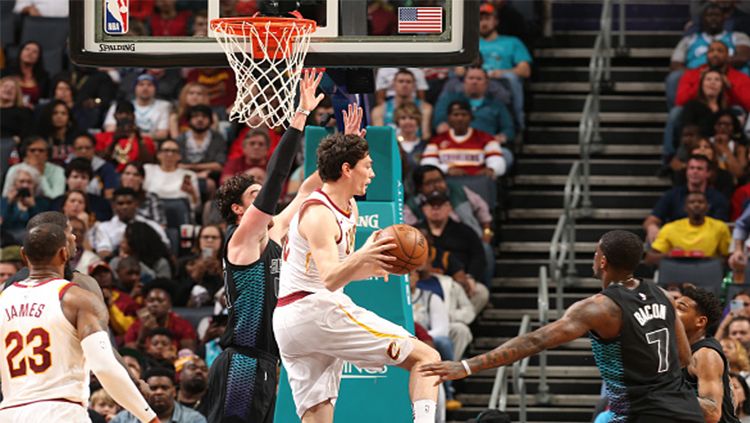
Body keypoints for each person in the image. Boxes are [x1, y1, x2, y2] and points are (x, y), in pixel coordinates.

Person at [421, 230, 705, 422]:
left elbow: (534, 341)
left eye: (596, 253)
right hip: (684, 410)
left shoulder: (599, 308)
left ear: (602, 261)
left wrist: (467, 366)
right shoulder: (664, 296)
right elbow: (683, 358)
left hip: (641, 414)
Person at [273, 126, 441, 422]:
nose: (373, 174)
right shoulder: (318, 214)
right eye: (368, 166)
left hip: (292, 320)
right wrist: (364, 255)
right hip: (315, 309)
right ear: (347, 169)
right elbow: (330, 278)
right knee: (427, 358)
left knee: (318, 415)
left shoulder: (349, 206)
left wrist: (371, 267)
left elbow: (340, 270)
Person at [199, 70, 328, 423]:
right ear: (240, 210)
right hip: (243, 359)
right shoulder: (242, 239)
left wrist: (344, 149)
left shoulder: (269, 236)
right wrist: (300, 116)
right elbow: (276, 180)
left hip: (266, 361)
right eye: (253, 197)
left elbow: (304, 191)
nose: (265, 200)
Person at [0, 223, 158, 423]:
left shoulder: (3, 298)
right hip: (61, 411)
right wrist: (149, 417)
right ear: (64, 253)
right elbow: (104, 367)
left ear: (23, 255)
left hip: (9, 412)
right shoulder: (76, 298)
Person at [675, 284, 739, 423]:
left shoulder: (705, 354)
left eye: (680, 308)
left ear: (700, 321)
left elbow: (712, 413)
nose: (671, 312)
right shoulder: (674, 349)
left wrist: (666, 394)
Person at [667, 3, 750, 109]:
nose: (713, 19)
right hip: (697, 77)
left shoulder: (737, 36)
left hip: (729, 75)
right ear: (702, 19)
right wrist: (699, 75)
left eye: (717, 15)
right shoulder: (690, 39)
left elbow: (744, 57)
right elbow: (675, 64)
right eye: (709, 15)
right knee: (674, 78)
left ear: (724, 18)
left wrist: (717, 69)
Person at [643, 155, 730, 243]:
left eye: (699, 168)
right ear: (686, 171)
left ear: (708, 173)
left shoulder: (718, 198)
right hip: (676, 241)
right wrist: (651, 227)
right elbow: (651, 219)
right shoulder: (672, 195)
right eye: (691, 168)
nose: (694, 171)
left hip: (707, 242)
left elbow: (720, 228)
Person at [478, 2, 531, 130]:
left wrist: (502, 72)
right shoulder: (469, 43)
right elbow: (458, 69)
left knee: (512, 79)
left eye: (487, 19)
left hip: (501, 81)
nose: (483, 23)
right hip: (475, 80)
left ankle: (517, 123)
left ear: (496, 21)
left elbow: (525, 70)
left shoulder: (512, 42)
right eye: (479, 19)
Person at [422, 100, 507, 178]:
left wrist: (491, 169)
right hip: (448, 184)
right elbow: (427, 163)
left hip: (478, 184)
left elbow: (498, 161)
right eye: (455, 115)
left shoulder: (486, 139)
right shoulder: (436, 141)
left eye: (464, 114)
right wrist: (447, 170)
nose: (460, 118)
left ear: (471, 117)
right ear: (448, 118)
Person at [645, 191, 731, 265]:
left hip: (708, 273)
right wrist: (670, 255)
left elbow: (727, 258)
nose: (696, 205)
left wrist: (708, 260)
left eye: (700, 202)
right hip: (677, 274)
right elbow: (649, 259)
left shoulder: (720, 227)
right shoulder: (670, 228)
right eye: (692, 202)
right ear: (685, 207)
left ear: (707, 207)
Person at [88, 187, 169, 258]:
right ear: (113, 206)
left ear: (136, 204)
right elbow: (103, 252)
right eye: (120, 203)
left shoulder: (151, 225)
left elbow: (165, 246)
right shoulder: (104, 227)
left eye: (129, 203)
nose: (125, 207)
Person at [111, 367, 204, 423]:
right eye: (153, 388)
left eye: (164, 388)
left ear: (174, 391)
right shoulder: (123, 419)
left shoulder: (193, 419)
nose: (159, 392)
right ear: (143, 391)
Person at [103, 73, 171, 141]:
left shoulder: (164, 106)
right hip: (122, 142)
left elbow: (162, 134)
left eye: (150, 85)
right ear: (135, 88)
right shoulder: (120, 106)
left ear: (155, 88)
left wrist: (136, 136)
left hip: (150, 144)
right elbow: (110, 129)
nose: (145, 88)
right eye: (141, 84)